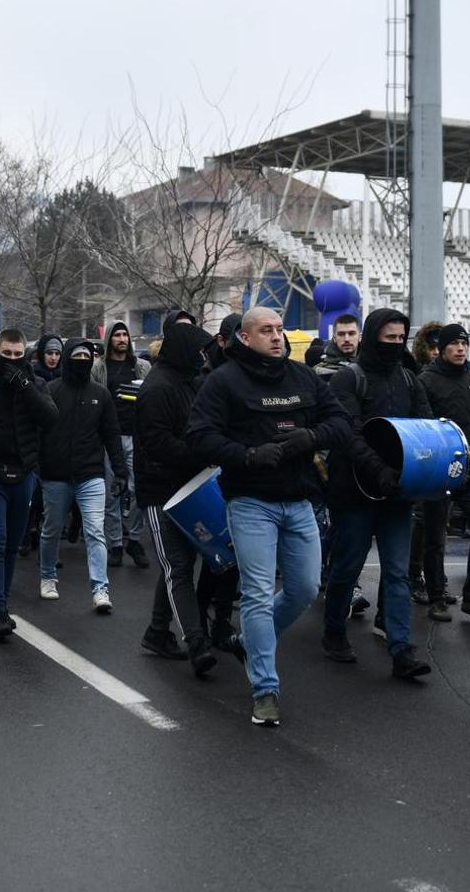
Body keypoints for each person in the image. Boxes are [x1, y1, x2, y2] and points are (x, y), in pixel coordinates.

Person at [188, 307, 352, 726]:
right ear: (244, 338)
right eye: (267, 331)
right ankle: (265, 689)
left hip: (299, 501)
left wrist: (310, 437)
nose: (277, 337)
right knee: (258, 594)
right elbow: (200, 437)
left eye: (280, 329)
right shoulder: (223, 381)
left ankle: (250, 642)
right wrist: (247, 455)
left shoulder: (303, 377)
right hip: (250, 502)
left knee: (303, 589)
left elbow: (342, 423)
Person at [323, 308, 435, 679]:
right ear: (373, 337)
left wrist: (425, 473)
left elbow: (425, 429)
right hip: (353, 491)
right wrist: (379, 470)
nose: (397, 344)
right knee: (347, 566)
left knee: (398, 572)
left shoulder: (409, 379)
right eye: (389, 338)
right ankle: (334, 630)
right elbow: (348, 434)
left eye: (401, 338)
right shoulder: (347, 379)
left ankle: (401, 648)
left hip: (397, 491)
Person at [135, 321, 230, 674]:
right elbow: (158, 444)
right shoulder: (157, 389)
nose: (204, 357)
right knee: (177, 567)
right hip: (160, 492)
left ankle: (158, 631)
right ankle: (196, 642)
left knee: (179, 565)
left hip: (188, 488)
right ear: (184, 352)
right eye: (199, 351)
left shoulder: (187, 382)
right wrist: (201, 451)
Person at [0, 328, 59, 640]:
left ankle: (0, 600)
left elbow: (50, 418)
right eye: (7, 355)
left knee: (11, 544)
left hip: (23, 473)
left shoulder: (36, 383)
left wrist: (25, 386)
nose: (13, 361)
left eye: (19, 355)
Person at [417, 323, 470, 626]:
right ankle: (437, 596)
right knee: (436, 536)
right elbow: (422, 428)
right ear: (443, 347)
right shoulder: (426, 381)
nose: (461, 348)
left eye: (464, 343)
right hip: (438, 471)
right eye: (454, 343)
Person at [38, 339, 127, 612]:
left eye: (86, 355)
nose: (82, 359)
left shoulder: (101, 394)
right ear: (67, 358)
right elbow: (37, 431)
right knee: (52, 528)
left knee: (95, 531)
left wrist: (120, 470)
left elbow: (111, 435)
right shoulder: (50, 391)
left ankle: (100, 588)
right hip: (55, 475)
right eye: (76, 355)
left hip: (91, 474)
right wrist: (35, 467)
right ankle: (47, 576)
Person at [93, 321, 151, 568]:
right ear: (110, 340)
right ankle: (115, 543)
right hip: (110, 438)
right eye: (116, 335)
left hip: (137, 436)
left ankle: (135, 539)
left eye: (124, 335)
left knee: (139, 490)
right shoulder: (99, 368)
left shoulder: (142, 367)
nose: (121, 339)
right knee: (111, 493)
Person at [313, 314, 361, 378]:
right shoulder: (319, 371)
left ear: (360, 337)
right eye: (341, 334)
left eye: (351, 334)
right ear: (334, 338)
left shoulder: (372, 367)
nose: (346, 339)